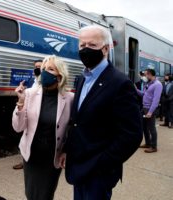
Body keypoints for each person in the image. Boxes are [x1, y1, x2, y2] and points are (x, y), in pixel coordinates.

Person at [64, 25, 142, 200]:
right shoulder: (83, 78)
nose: (85, 49)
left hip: (99, 172)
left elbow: (132, 134)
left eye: (91, 45)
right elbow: (78, 122)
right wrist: (68, 151)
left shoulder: (120, 83)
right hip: (78, 167)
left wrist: (103, 163)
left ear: (105, 49)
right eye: (81, 45)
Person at [12, 55, 74, 200]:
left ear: (60, 76)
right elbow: (18, 127)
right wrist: (20, 103)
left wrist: (67, 151)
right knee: (32, 194)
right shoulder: (29, 94)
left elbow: (72, 128)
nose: (45, 72)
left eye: (50, 69)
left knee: (46, 195)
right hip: (32, 155)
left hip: (52, 158)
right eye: (43, 69)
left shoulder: (69, 98)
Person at [13, 59, 42, 170]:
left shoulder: (45, 81)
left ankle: (32, 163)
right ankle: (25, 160)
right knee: (25, 137)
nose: (37, 68)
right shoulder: (32, 80)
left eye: (40, 66)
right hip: (27, 111)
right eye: (35, 67)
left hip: (37, 114)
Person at [137, 69, 163, 153]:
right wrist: (135, 89)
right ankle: (148, 143)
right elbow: (143, 94)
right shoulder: (148, 84)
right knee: (144, 127)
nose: (144, 76)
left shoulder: (157, 85)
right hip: (144, 108)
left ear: (150, 74)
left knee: (151, 128)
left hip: (150, 109)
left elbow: (156, 100)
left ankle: (153, 146)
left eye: (145, 75)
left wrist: (150, 112)